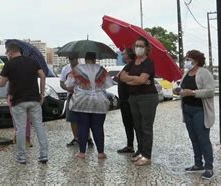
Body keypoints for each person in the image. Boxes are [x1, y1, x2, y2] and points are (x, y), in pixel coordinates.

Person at [0, 43, 48, 165]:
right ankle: (43, 155)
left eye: (7, 53)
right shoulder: (32, 61)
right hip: (34, 100)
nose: (7, 55)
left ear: (10, 52)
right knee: (39, 126)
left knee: (20, 129)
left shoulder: (9, 64)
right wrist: (42, 94)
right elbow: (43, 75)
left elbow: (2, 83)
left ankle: (22, 157)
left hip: (18, 101)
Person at [174, 50, 215, 180]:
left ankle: (209, 167)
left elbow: (210, 91)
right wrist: (178, 90)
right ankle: (198, 164)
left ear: (196, 60)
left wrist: (192, 92)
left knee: (203, 138)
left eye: (188, 59)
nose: (186, 61)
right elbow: (183, 89)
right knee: (193, 138)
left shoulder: (204, 73)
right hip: (187, 110)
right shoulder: (187, 73)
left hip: (200, 110)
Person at [66, 52, 113, 159]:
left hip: (82, 102)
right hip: (99, 102)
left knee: (83, 126)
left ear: (85, 59)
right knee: (98, 127)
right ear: (95, 59)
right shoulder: (101, 70)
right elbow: (108, 85)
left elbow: (69, 85)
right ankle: (101, 153)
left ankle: (82, 153)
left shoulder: (77, 70)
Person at [120, 36, 158, 166]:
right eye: (136, 45)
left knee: (146, 127)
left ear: (146, 48)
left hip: (147, 97)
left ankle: (147, 155)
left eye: (141, 46)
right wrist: (137, 79)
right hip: (133, 97)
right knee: (138, 126)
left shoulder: (148, 63)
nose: (138, 48)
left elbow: (142, 80)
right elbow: (122, 77)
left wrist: (131, 79)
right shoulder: (131, 63)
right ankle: (140, 151)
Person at [60, 55, 93, 147]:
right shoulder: (65, 69)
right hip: (71, 95)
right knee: (72, 118)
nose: (72, 60)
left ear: (77, 58)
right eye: (70, 58)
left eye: (73, 58)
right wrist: (66, 88)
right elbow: (62, 82)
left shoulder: (83, 68)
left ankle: (88, 138)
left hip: (82, 96)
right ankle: (76, 138)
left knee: (84, 118)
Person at [116, 48, 136, 154]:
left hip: (129, 100)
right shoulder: (127, 66)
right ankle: (130, 145)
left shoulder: (132, 66)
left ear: (129, 55)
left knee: (133, 124)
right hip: (124, 100)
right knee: (127, 123)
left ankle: (137, 147)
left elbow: (130, 80)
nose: (122, 56)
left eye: (124, 54)